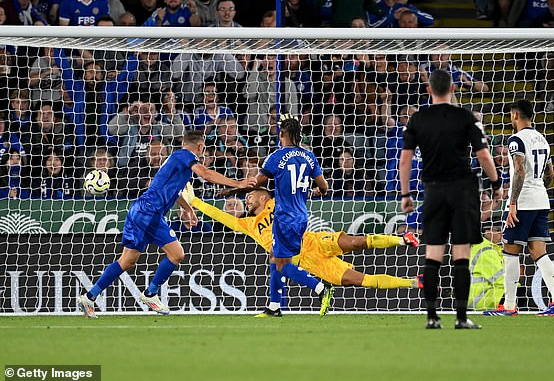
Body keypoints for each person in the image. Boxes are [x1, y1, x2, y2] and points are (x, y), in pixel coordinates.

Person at [76, 130, 256, 318]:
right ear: (200, 146)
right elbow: (206, 174)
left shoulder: (174, 161)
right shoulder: (185, 155)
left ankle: (89, 297)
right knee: (177, 254)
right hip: (150, 213)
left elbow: (174, 191)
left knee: (127, 261)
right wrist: (238, 183)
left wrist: (188, 209)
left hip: (138, 210)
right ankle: (150, 294)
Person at [181, 185, 423, 297]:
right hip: (309, 261)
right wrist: (196, 203)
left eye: (250, 196)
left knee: (355, 242)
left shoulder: (279, 202)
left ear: (264, 196)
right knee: (358, 281)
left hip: (314, 241)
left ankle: (403, 239)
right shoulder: (248, 224)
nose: (247, 201)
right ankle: (413, 283)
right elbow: (223, 217)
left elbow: (293, 187)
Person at [399, 68, 502, 330]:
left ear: (428, 89)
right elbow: (484, 156)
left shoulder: (418, 119)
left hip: (433, 191)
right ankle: (460, 317)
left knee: (433, 255)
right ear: (453, 89)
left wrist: (406, 194)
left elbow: (406, 158)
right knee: (461, 256)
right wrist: (496, 183)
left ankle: (432, 317)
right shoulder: (464, 116)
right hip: (462, 191)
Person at [483, 100, 554, 317]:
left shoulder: (516, 140)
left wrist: (512, 204)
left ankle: (509, 306)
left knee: (510, 251)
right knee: (538, 252)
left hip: (524, 203)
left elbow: (519, 171)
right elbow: (550, 174)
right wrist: (539, 186)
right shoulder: (543, 139)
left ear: (515, 115)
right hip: (541, 200)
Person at [250, 113, 333, 317]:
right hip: (301, 217)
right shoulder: (310, 156)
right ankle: (274, 306)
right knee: (275, 257)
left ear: (283, 133)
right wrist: (315, 191)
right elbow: (324, 186)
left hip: (284, 217)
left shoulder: (276, 156)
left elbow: (258, 182)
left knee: (282, 264)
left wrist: (235, 188)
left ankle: (321, 288)